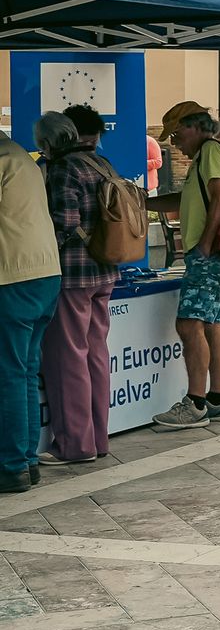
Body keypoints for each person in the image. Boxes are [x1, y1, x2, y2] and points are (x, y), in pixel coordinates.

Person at [35, 112, 119, 466]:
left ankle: (74, 445)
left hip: (72, 275)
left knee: (67, 357)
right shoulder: (101, 163)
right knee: (96, 355)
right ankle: (98, 439)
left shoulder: (63, 169)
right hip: (105, 270)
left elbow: (65, 222)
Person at [145, 102, 220, 430]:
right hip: (216, 254)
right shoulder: (207, 155)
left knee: (189, 324)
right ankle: (218, 400)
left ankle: (195, 403)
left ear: (196, 126)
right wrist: (143, 202)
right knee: (213, 322)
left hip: (208, 254)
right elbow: (188, 200)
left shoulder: (211, 150)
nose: (173, 142)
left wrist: (205, 245)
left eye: (177, 133)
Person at [0, 126, 64, 492]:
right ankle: (25, 462)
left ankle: (11, 466)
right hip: (44, 275)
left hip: (14, 276)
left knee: (9, 372)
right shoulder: (20, 156)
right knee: (23, 372)